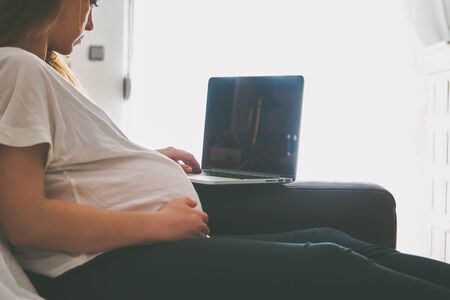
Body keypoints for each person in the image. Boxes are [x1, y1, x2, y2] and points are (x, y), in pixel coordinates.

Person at [0, 1, 449, 299]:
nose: (91, 22)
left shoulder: (38, 73)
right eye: (91, 3)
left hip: (123, 258)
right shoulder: (17, 67)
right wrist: (158, 226)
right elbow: (26, 221)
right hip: (105, 269)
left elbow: (60, 169)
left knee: (335, 240)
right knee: (328, 262)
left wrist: (140, 156)